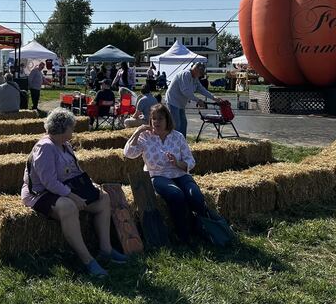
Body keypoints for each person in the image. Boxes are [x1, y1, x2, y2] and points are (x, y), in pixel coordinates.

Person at [22, 108, 127, 277]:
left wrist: (91, 186)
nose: (73, 130)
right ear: (63, 128)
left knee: (103, 199)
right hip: (40, 193)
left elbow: (75, 171)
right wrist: (72, 196)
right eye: (71, 127)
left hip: (65, 188)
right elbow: (49, 182)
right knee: (69, 206)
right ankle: (88, 261)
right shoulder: (46, 147)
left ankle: (106, 250)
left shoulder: (65, 145)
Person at [124, 104, 207, 244]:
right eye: (153, 119)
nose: (156, 122)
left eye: (160, 119)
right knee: (176, 195)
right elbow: (128, 154)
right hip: (158, 175)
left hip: (180, 173)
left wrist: (177, 163)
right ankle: (183, 236)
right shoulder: (145, 137)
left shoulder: (177, 136)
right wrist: (137, 132)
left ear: (167, 120)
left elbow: (190, 161)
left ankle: (203, 228)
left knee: (196, 196)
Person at [166, 63, 222, 136]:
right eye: (200, 73)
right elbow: (185, 91)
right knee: (176, 124)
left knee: (183, 124)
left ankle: (183, 143)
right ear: (196, 70)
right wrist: (198, 100)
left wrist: (213, 97)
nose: (201, 75)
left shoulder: (194, 77)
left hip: (181, 103)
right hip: (173, 101)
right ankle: (174, 143)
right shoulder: (185, 74)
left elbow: (201, 89)